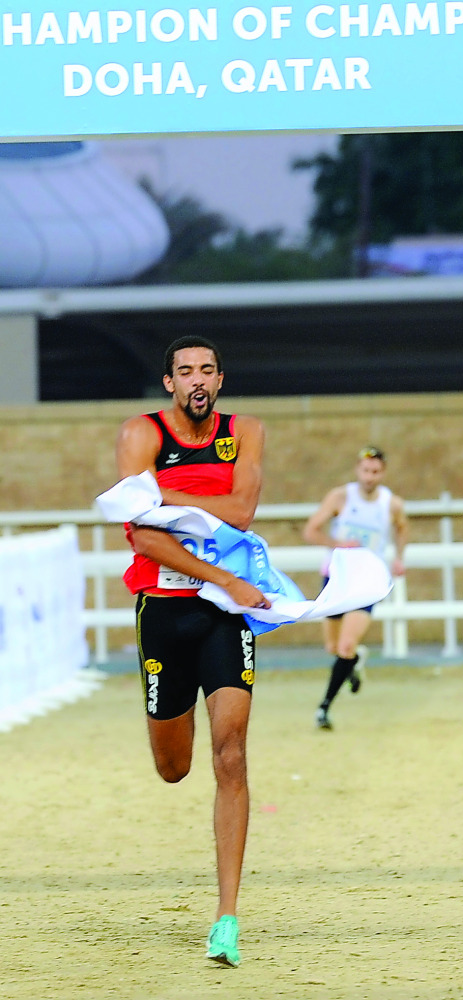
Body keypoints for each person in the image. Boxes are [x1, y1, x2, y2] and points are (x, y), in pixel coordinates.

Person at [116, 335, 270, 968]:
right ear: (170, 385)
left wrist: (166, 497)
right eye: (186, 371)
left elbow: (242, 511)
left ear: (220, 379)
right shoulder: (141, 433)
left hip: (223, 618)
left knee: (230, 755)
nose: (198, 378)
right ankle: (165, 719)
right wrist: (220, 573)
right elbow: (141, 537)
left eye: (207, 369)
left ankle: (226, 917)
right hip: (164, 613)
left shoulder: (245, 432)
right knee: (174, 767)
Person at [303, 446, 408, 730]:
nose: (370, 477)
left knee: (346, 645)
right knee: (334, 647)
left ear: (383, 473)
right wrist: (337, 544)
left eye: (375, 472)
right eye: (365, 470)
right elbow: (311, 530)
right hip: (338, 578)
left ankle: (324, 708)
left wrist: (399, 558)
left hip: (368, 582)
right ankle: (353, 661)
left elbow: (402, 527)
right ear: (357, 470)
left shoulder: (391, 503)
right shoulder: (340, 497)